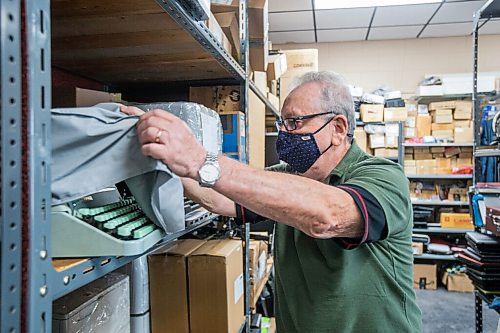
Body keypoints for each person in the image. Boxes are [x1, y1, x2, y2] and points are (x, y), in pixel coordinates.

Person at [121, 71, 422, 332]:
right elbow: (218, 199)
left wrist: (200, 159)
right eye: (282, 124)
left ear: (339, 128)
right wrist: (163, 158)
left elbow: (329, 215)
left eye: (295, 123)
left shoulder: (383, 177)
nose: (284, 135)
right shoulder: (288, 178)